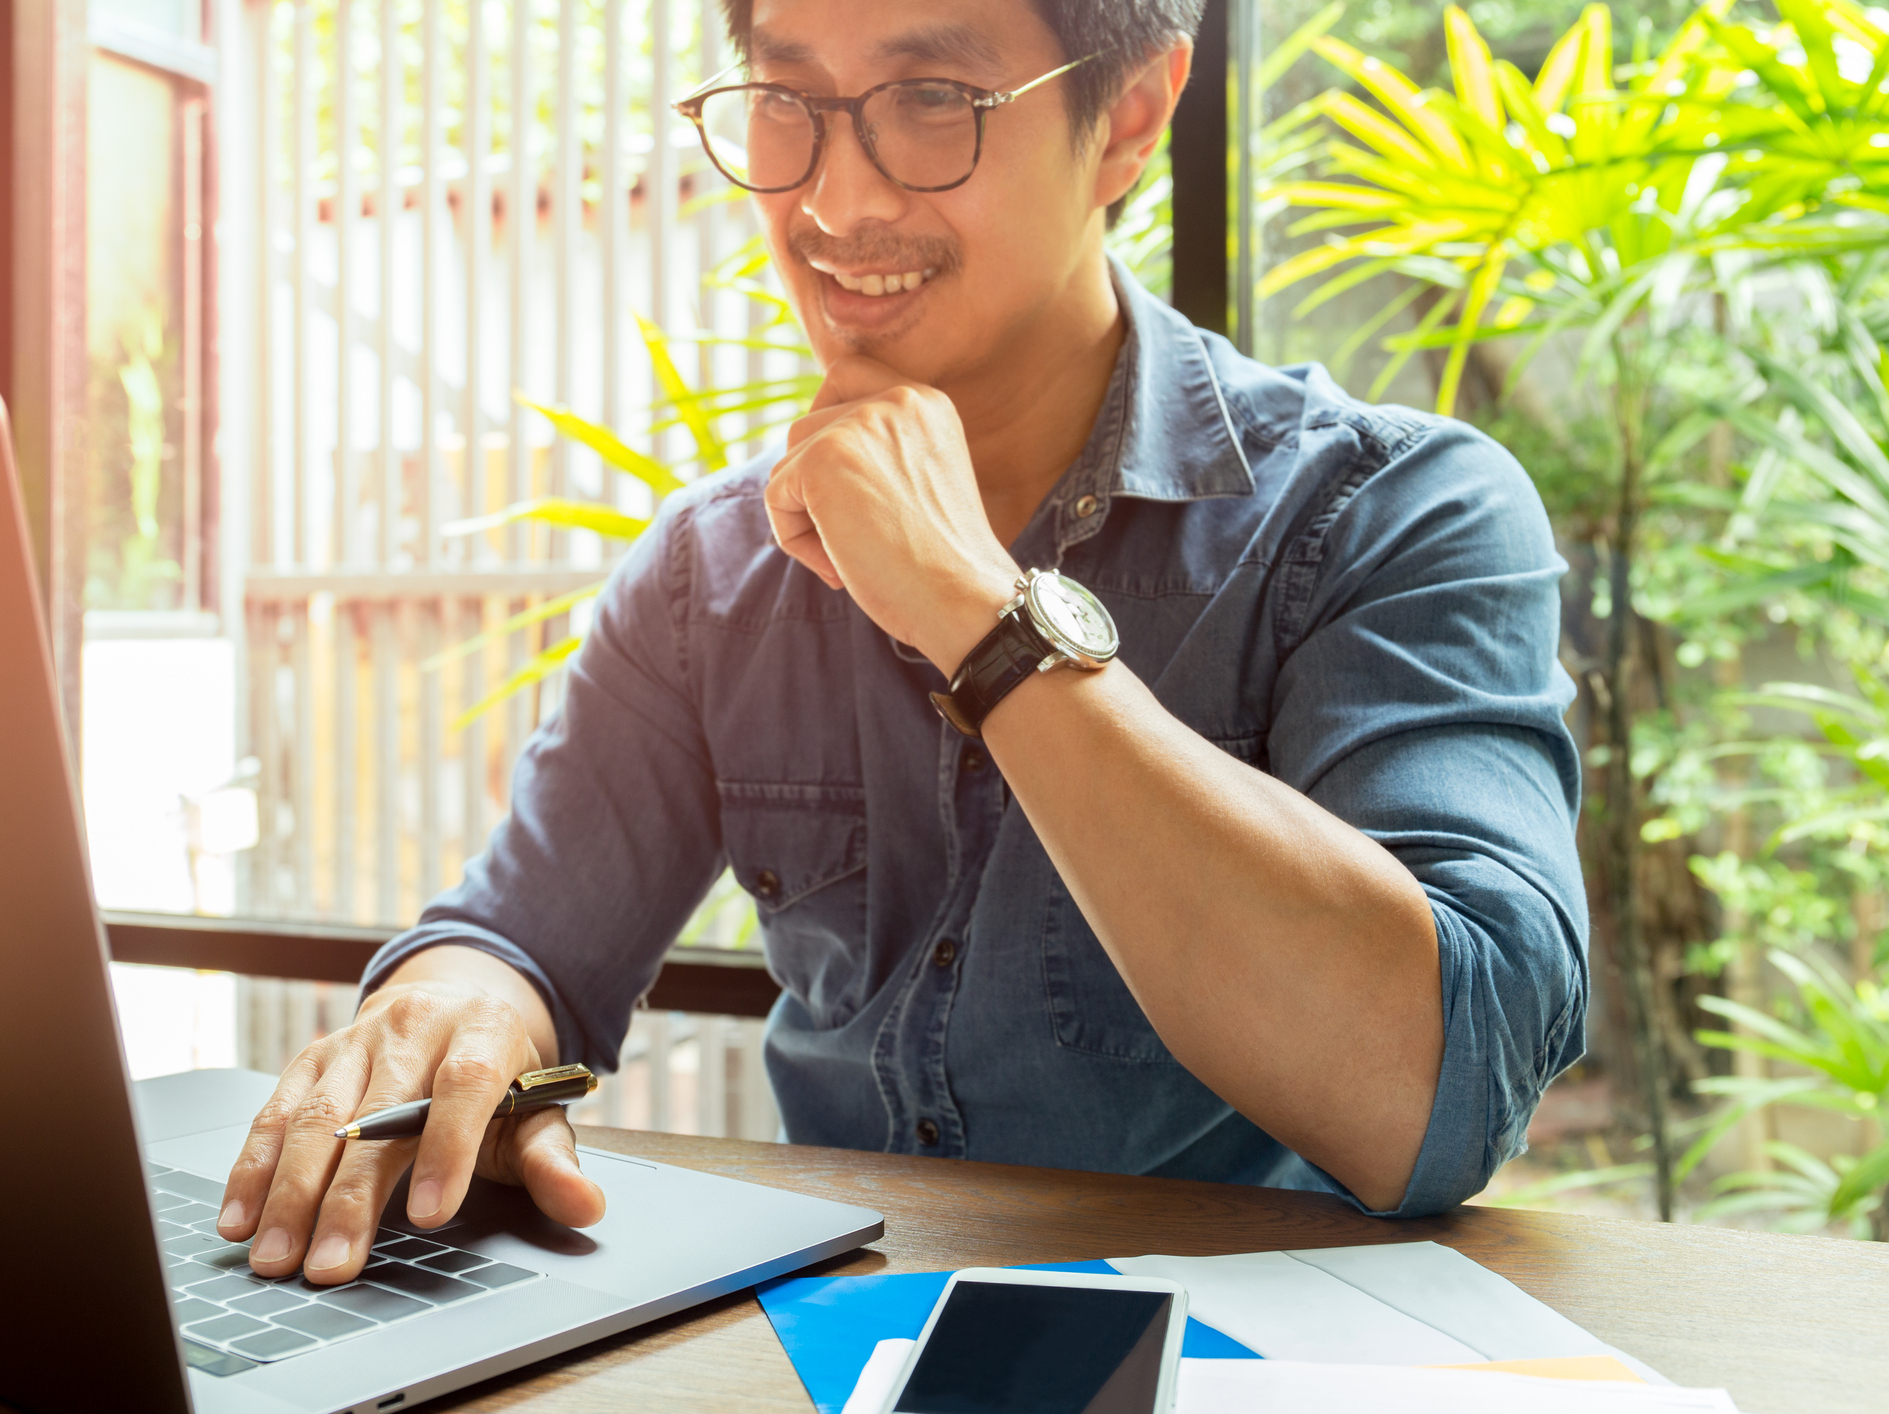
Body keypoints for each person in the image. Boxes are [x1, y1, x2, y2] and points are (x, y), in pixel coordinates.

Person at [215, 0, 1588, 1288]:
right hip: (833, 1342)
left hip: (1257, 1353)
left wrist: (976, 611)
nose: (834, 200)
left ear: (1128, 118)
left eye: (933, 98)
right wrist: (455, 1010)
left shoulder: (1388, 513)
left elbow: (1443, 1093)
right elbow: (520, 938)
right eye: (785, 98)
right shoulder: (714, 570)